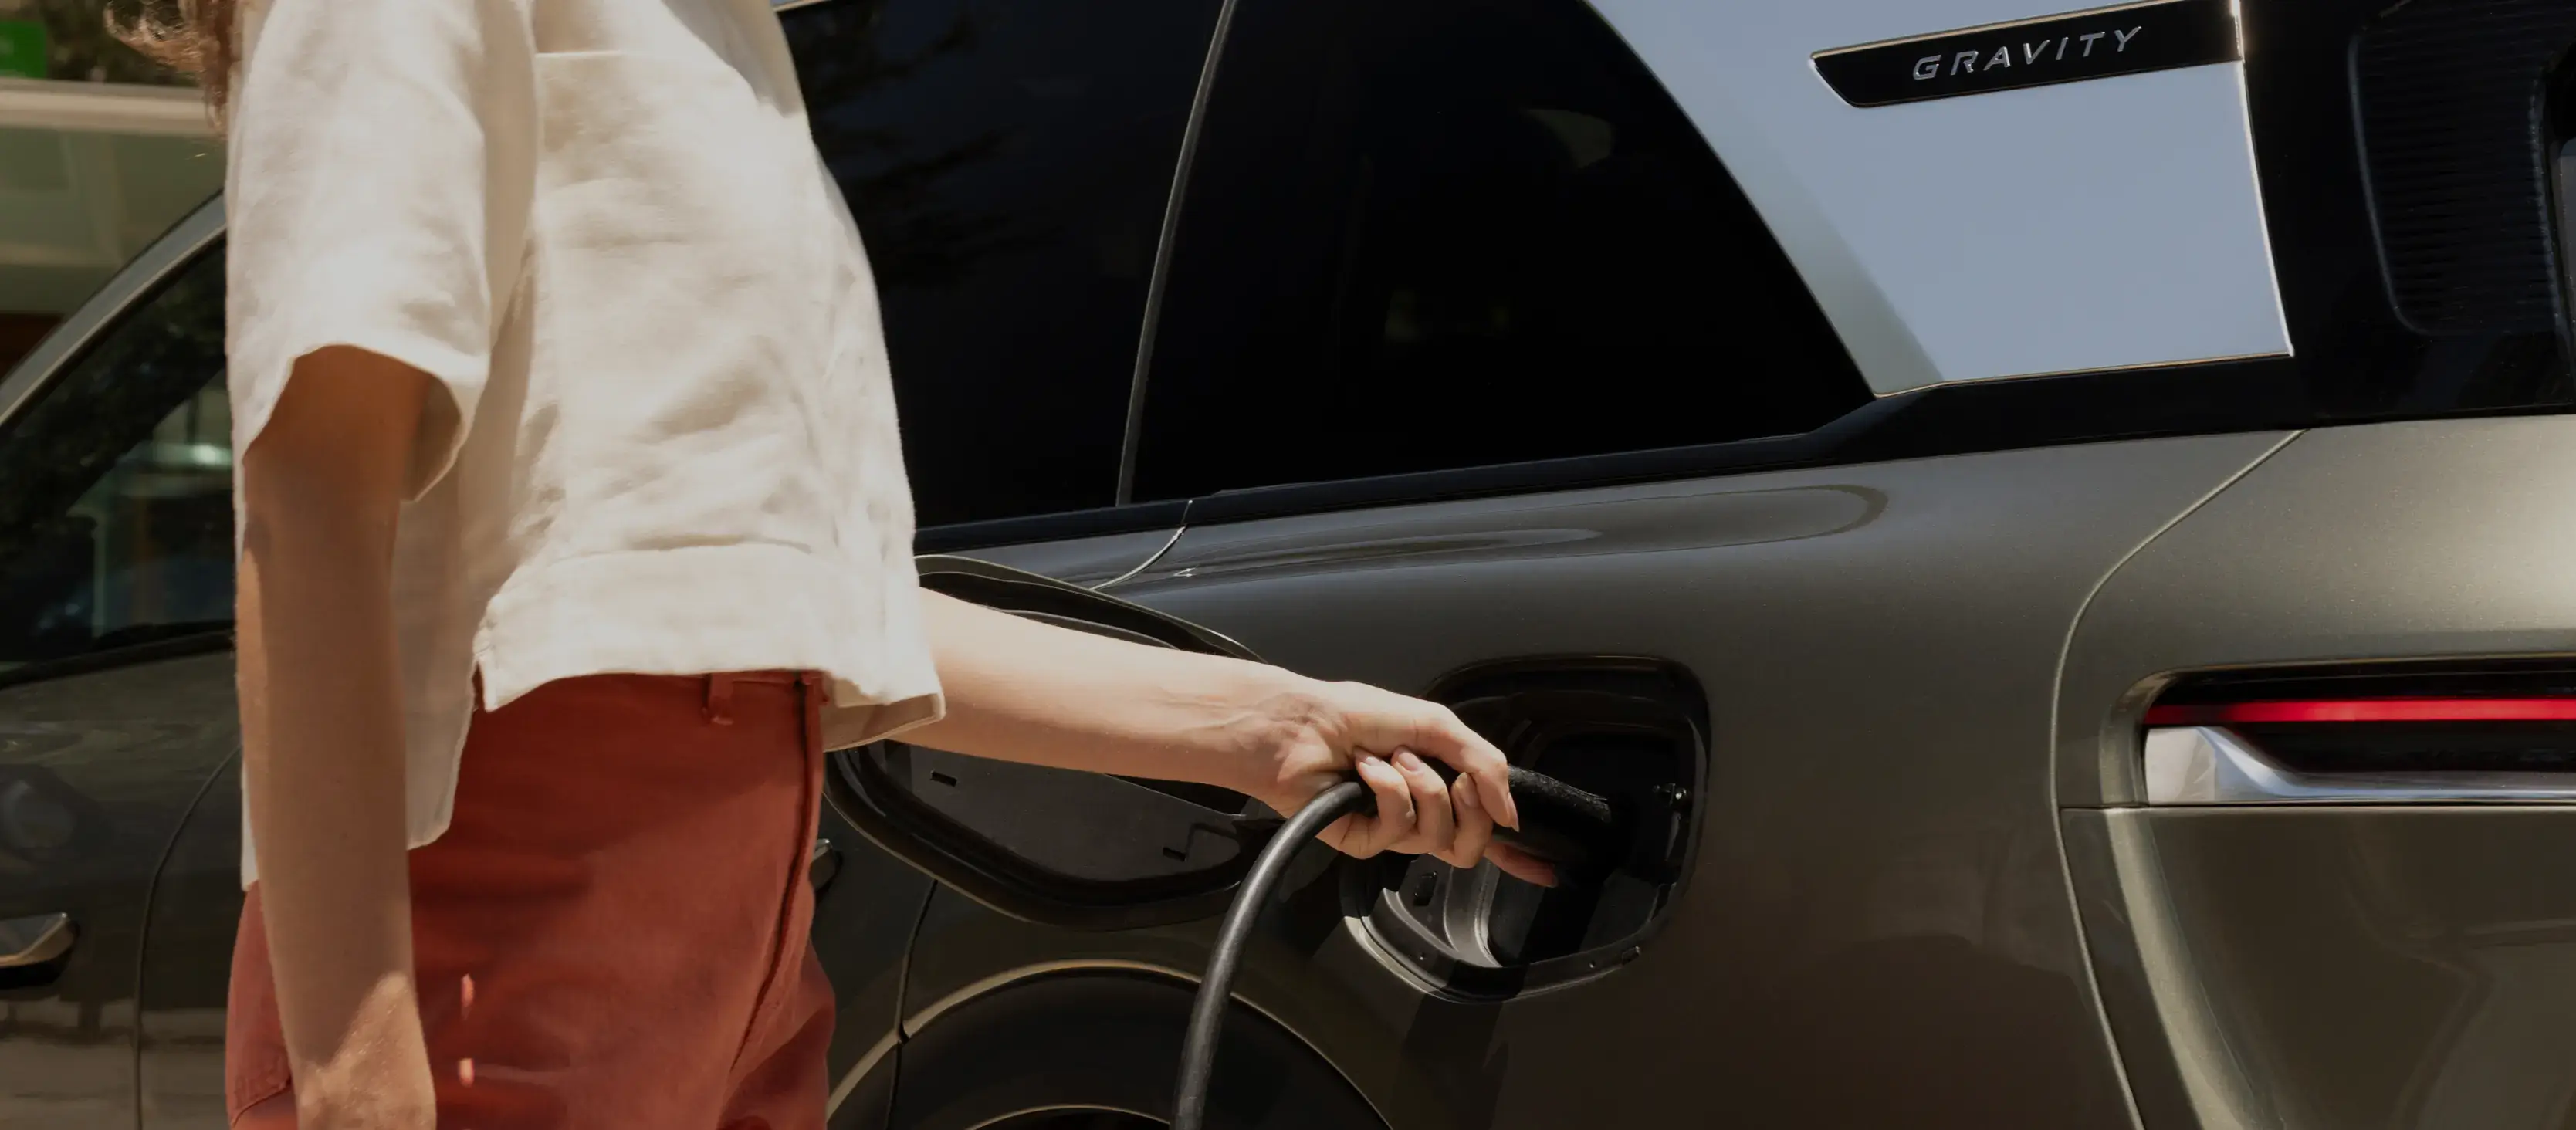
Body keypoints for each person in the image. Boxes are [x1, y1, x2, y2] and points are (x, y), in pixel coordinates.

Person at [118, 0, 1555, 1126]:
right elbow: (309, 489)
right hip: (496, 948)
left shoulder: (719, 45)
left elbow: (790, 605)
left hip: (736, 971)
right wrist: (364, 1089)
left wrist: (1263, 727)